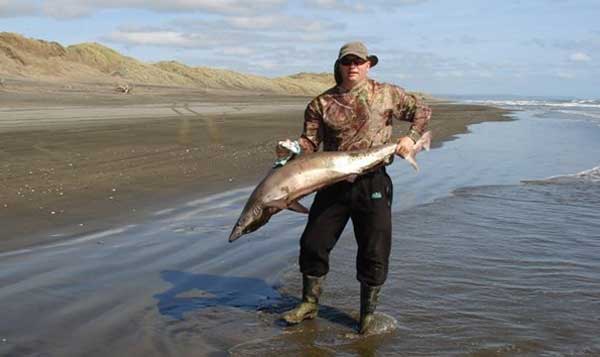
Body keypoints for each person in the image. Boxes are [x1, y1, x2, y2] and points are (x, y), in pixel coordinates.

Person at [277, 42, 431, 334]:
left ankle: (367, 315)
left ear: (368, 65)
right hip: (332, 182)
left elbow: (422, 110)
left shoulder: (387, 93)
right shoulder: (320, 104)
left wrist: (411, 137)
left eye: (359, 61)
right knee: (313, 243)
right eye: (347, 61)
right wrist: (293, 149)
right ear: (339, 65)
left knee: (374, 250)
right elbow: (310, 143)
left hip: (372, 181)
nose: (353, 66)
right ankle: (309, 303)